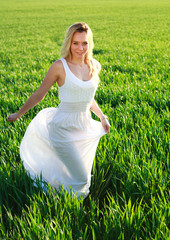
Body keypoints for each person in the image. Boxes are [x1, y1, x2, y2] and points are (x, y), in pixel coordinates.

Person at [7, 22, 110, 199]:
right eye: (75, 43)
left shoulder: (94, 65)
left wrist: (102, 117)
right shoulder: (59, 66)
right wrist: (18, 114)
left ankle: (60, 203)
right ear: (68, 43)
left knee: (69, 174)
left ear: (90, 43)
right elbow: (39, 94)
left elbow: (88, 98)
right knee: (81, 179)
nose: (80, 48)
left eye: (84, 43)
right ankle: (71, 211)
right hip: (62, 127)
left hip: (83, 127)